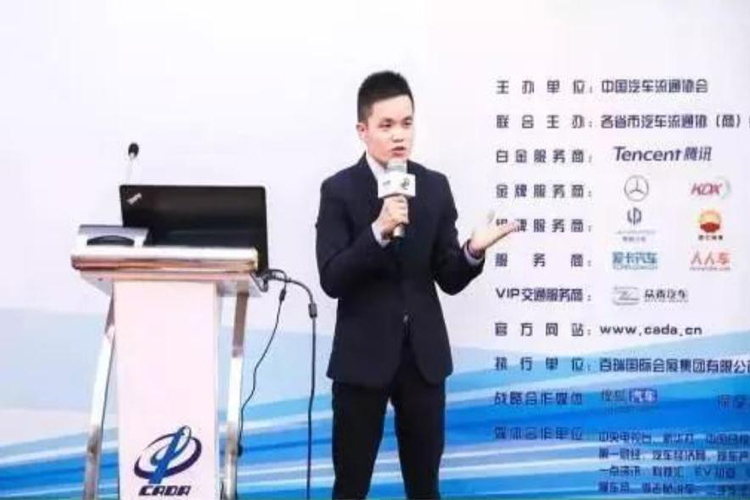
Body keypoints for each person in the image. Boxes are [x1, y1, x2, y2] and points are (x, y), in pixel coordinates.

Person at [315, 71, 517, 499]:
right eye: (386, 125)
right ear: (363, 130)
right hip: (361, 361)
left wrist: (472, 251)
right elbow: (332, 278)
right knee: (350, 487)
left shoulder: (434, 187)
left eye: (407, 123)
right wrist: (377, 231)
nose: (399, 135)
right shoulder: (338, 190)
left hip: (423, 360)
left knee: (425, 488)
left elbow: (449, 277)